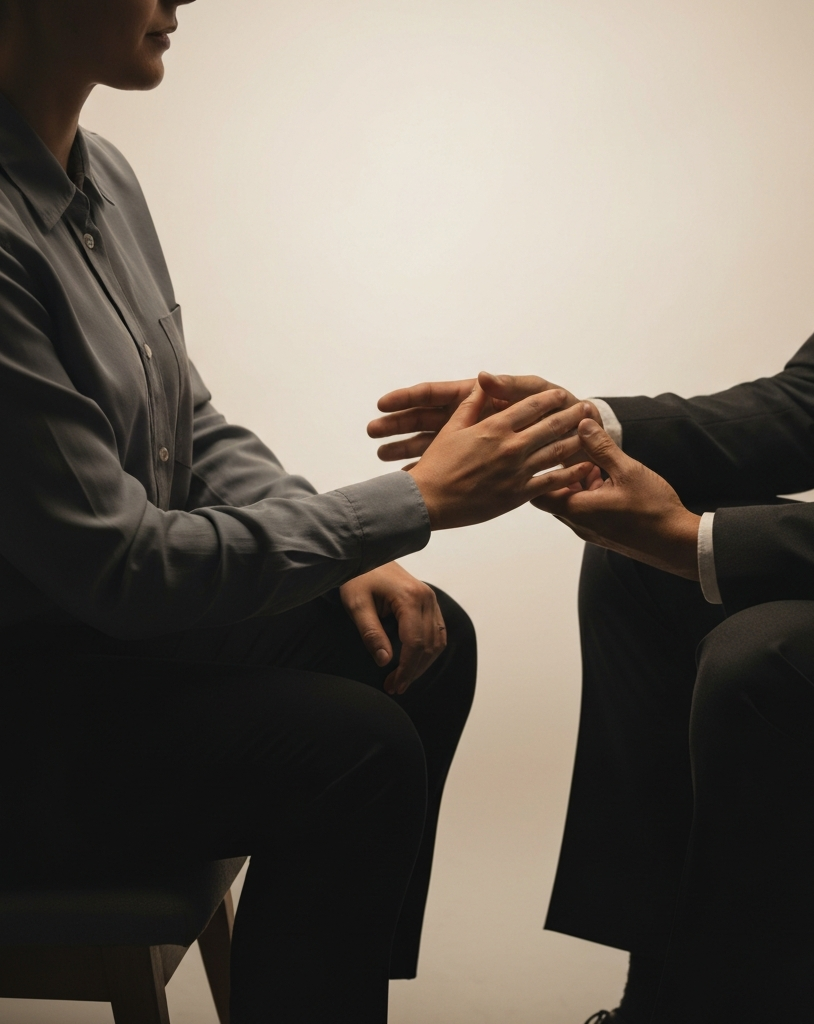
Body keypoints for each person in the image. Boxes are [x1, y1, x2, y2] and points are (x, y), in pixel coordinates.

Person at [369, 0, 814, 1019]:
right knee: (637, 574)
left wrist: (701, 540)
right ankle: (665, 998)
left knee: (768, 661)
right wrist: (578, 420)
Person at [0, 2, 596, 1022]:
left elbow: (189, 421)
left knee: (423, 639)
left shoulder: (103, 175)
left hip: (87, 653)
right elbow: (122, 567)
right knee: (353, 748)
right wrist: (402, 505)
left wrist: (339, 545)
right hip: (28, 707)